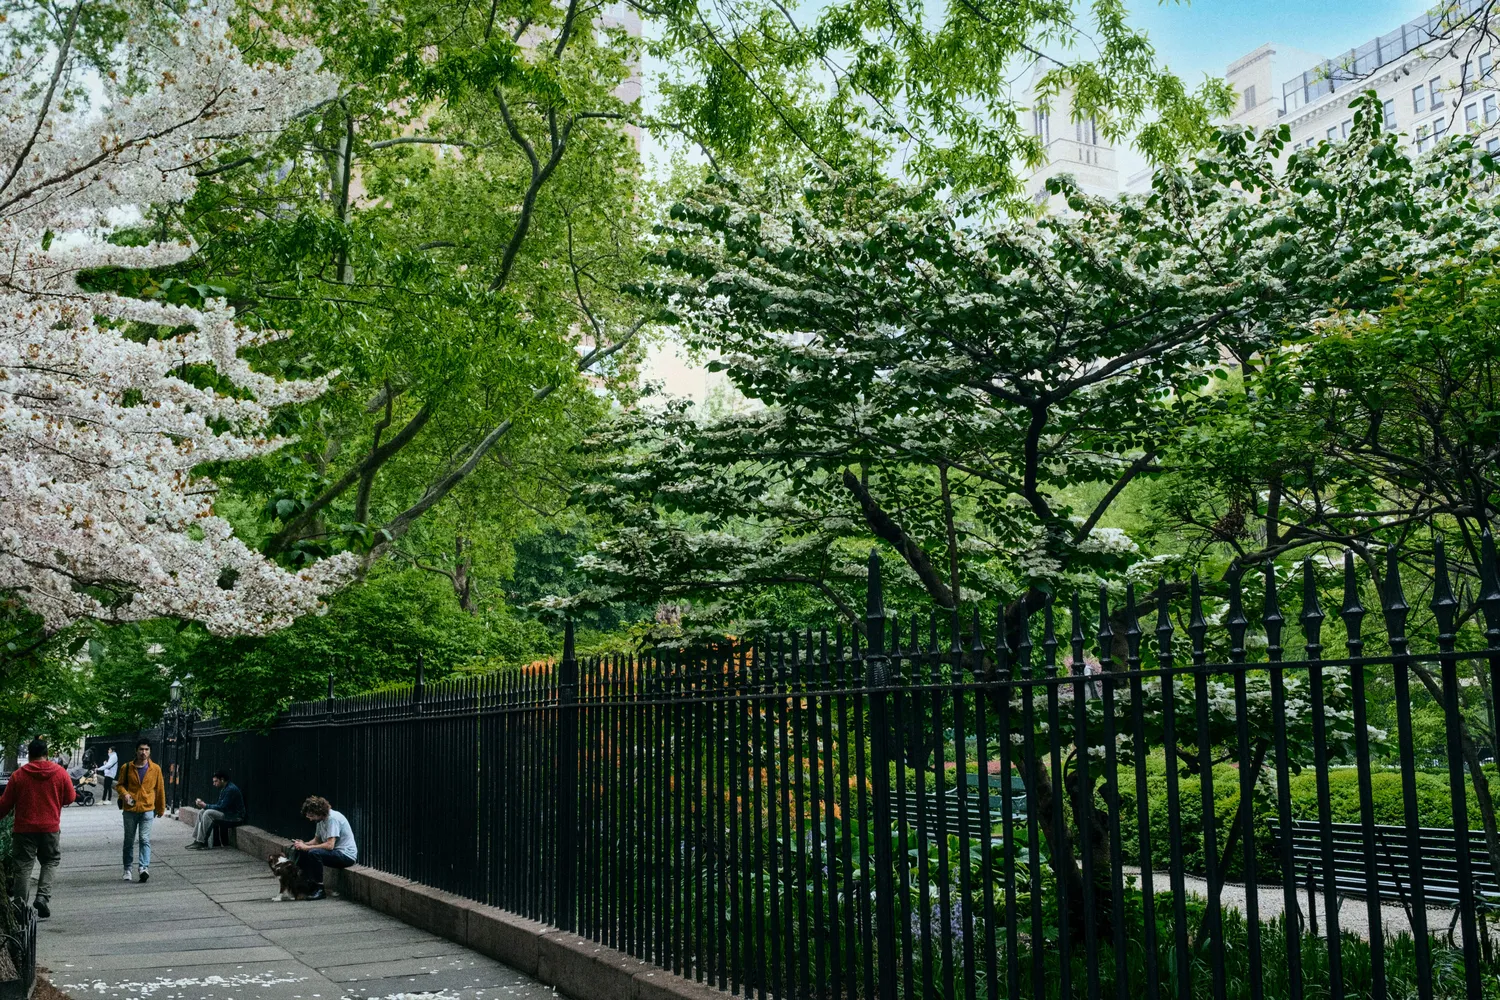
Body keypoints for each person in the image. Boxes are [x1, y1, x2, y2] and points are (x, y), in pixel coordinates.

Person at [0, 738, 75, 919]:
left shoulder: (18, 775)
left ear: (30, 755)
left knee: (24, 867)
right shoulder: (60, 773)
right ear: (46, 754)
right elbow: (71, 797)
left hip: (24, 829)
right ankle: (42, 896)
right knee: (50, 861)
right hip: (50, 828)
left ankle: (19, 907)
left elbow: (5, 804)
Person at [115, 739, 165, 883]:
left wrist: (160, 808)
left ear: (150, 751)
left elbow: (160, 789)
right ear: (136, 751)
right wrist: (125, 793)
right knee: (129, 840)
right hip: (130, 809)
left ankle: (143, 867)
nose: (144, 752)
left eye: (147, 749)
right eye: (141, 749)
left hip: (147, 809)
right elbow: (119, 785)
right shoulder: (127, 767)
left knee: (144, 839)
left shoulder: (155, 769)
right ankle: (127, 869)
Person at [291, 796, 357, 900]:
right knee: (303, 851)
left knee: (314, 853)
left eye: (312, 816)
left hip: (345, 855)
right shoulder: (320, 820)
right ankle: (307, 884)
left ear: (319, 812)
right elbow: (316, 840)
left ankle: (320, 889)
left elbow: (330, 845)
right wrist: (303, 844)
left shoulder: (332, 819)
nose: (310, 819)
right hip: (335, 853)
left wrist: (307, 847)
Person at [186, 770, 245, 850]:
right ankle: (197, 840)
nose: (214, 784)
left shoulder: (230, 789)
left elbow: (221, 807)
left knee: (207, 813)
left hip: (234, 817)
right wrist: (204, 805)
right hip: (227, 813)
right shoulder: (225, 788)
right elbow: (219, 806)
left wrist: (205, 805)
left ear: (222, 780)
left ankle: (202, 842)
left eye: (216, 781)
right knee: (201, 812)